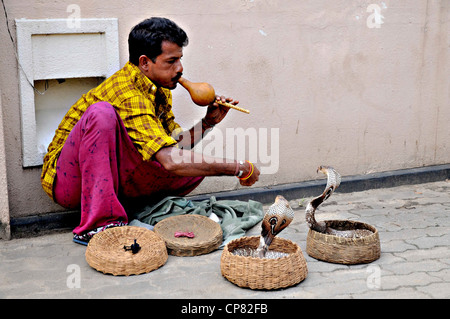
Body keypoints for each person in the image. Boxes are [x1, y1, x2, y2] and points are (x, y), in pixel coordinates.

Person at [40, 17, 260, 244]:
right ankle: (99, 225)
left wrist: (207, 123)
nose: (180, 69)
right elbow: (170, 160)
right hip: (68, 184)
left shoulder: (160, 89)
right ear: (145, 62)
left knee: (195, 165)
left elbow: (176, 146)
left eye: (180, 60)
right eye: (171, 61)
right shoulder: (126, 91)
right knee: (101, 114)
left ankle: (120, 206)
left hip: (115, 178)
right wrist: (238, 168)